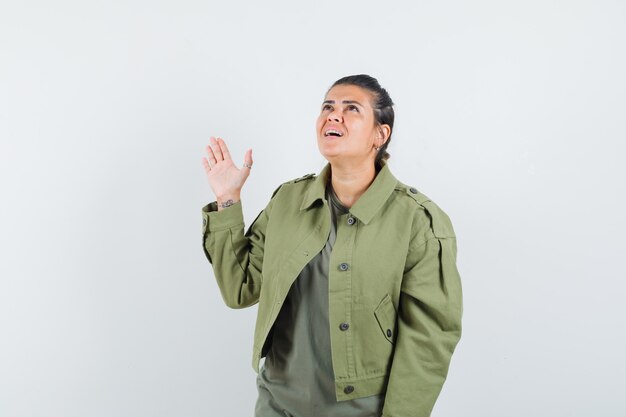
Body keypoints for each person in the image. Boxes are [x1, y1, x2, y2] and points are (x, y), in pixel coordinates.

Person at [201, 74, 463, 417]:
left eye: (351, 108)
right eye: (327, 106)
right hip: (278, 403)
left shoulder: (418, 222)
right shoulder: (287, 201)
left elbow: (429, 340)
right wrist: (227, 201)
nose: (333, 116)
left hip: (362, 409)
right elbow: (240, 289)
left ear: (380, 135)